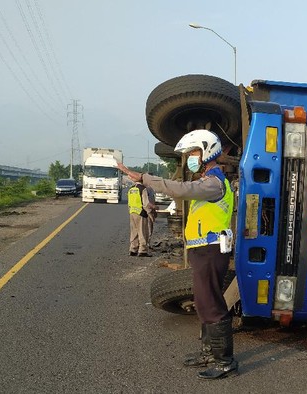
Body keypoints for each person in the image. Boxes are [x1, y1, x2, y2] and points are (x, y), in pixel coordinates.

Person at [116, 129, 237, 380]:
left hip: (212, 251)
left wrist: (146, 178)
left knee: (212, 304)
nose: (190, 157)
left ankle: (225, 361)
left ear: (207, 152)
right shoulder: (208, 181)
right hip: (203, 251)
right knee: (204, 302)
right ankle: (208, 352)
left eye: (194, 152)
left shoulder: (214, 183)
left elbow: (179, 189)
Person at [127, 178, 152, 257]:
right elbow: (146, 203)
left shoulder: (131, 189)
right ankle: (142, 250)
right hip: (141, 213)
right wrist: (150, 212)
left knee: (134, 232)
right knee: (142, 232)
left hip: (132, 212)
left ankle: (133, 249)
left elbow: (129, 202)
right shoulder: (142, 189)